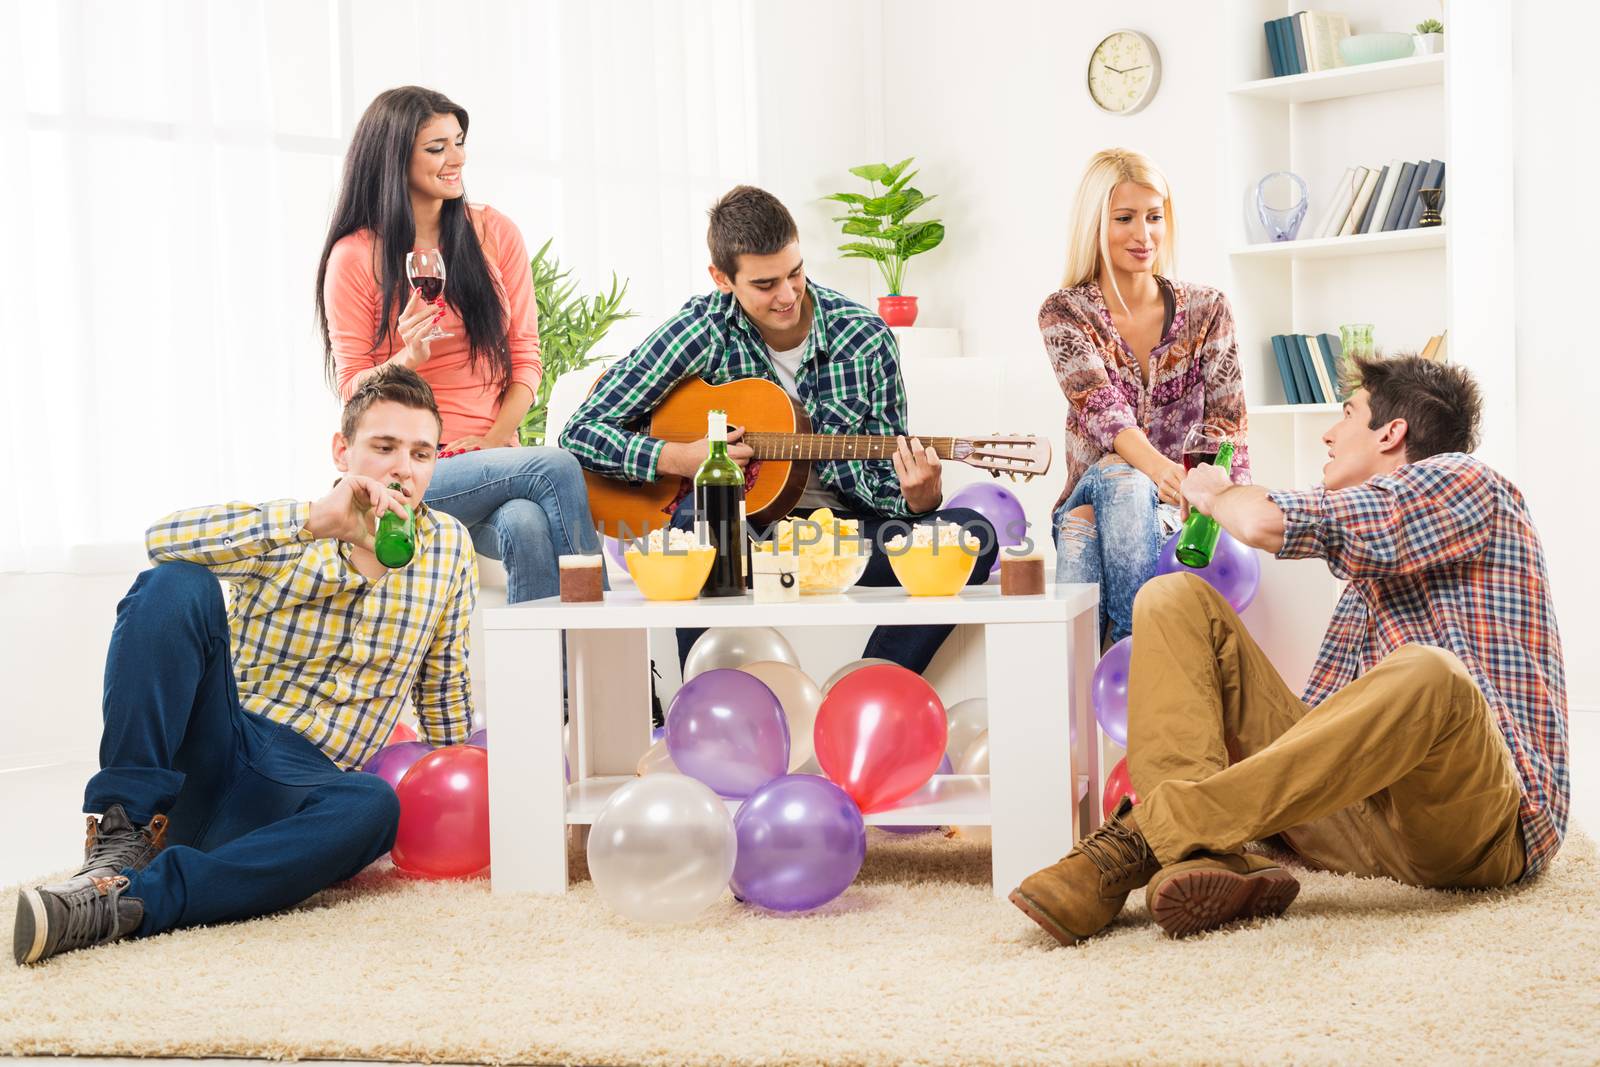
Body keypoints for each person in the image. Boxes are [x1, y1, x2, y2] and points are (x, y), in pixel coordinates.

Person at [1011, 355, 1567, 945]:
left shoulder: (1469, 483)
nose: (1328, 433)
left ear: (1392, 432)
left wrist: (1216, 495)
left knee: (1435, 677)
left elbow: (1268, 522)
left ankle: (1143, 837)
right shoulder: (1369, 581)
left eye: (1346, 414)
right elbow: (1321, 738)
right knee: (1171, 596)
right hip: (1359, 823)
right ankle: (1201, 858)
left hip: (1475, 827)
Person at [13, 367, 476, 966]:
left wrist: (466, 789)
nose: (403, 469)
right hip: (222, 741)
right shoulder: (296, 525)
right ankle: (122, 836)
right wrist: (314, 520)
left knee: (373, 807)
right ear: (344, 450)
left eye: (421, 453)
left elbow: (444, 684)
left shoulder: (449, 548)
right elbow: (162, 539)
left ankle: (123, 904)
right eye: (383, 447)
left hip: (304, 784)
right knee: (174, 584)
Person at [561, 184, 997, 673]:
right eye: (766, 284)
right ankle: (712, 707)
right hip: (745, 540)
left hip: (842, 541)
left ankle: (865, 687)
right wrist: (679, 459)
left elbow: (881, 482)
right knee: (698, 521)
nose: (788, 295)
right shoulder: (703, 329)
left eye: (795, 273)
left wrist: (917, 499)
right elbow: (581, 431)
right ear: (723, 279)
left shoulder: (865, 336)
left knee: (974, 534)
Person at [318, 85, 600, 604]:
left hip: (494, 455)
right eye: (437, 148)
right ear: (393, 159)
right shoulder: (355, 258)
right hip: (416, 469)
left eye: (459, 142)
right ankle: (609, 653)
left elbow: (526, 359)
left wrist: (495, 441)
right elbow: (354, 391)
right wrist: (406, 360)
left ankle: (553, 683)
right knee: (556, 464)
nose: (457, 159)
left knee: (525, 524)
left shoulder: (493, 234)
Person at [1040, 148, 1249, 643]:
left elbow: (1229, 426)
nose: (1144, 234)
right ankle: (1144, 651)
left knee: (1083, 540)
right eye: (1125, 218)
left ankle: (1108, 670)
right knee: (1124, 481)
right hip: (1103, 488)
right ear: (1095, 223)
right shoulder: (1064, 313)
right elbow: (1106, 416)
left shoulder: (1208, 308)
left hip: (1177, 508)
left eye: (1154, 217)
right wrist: (1163, 472)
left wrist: (1223, 507)